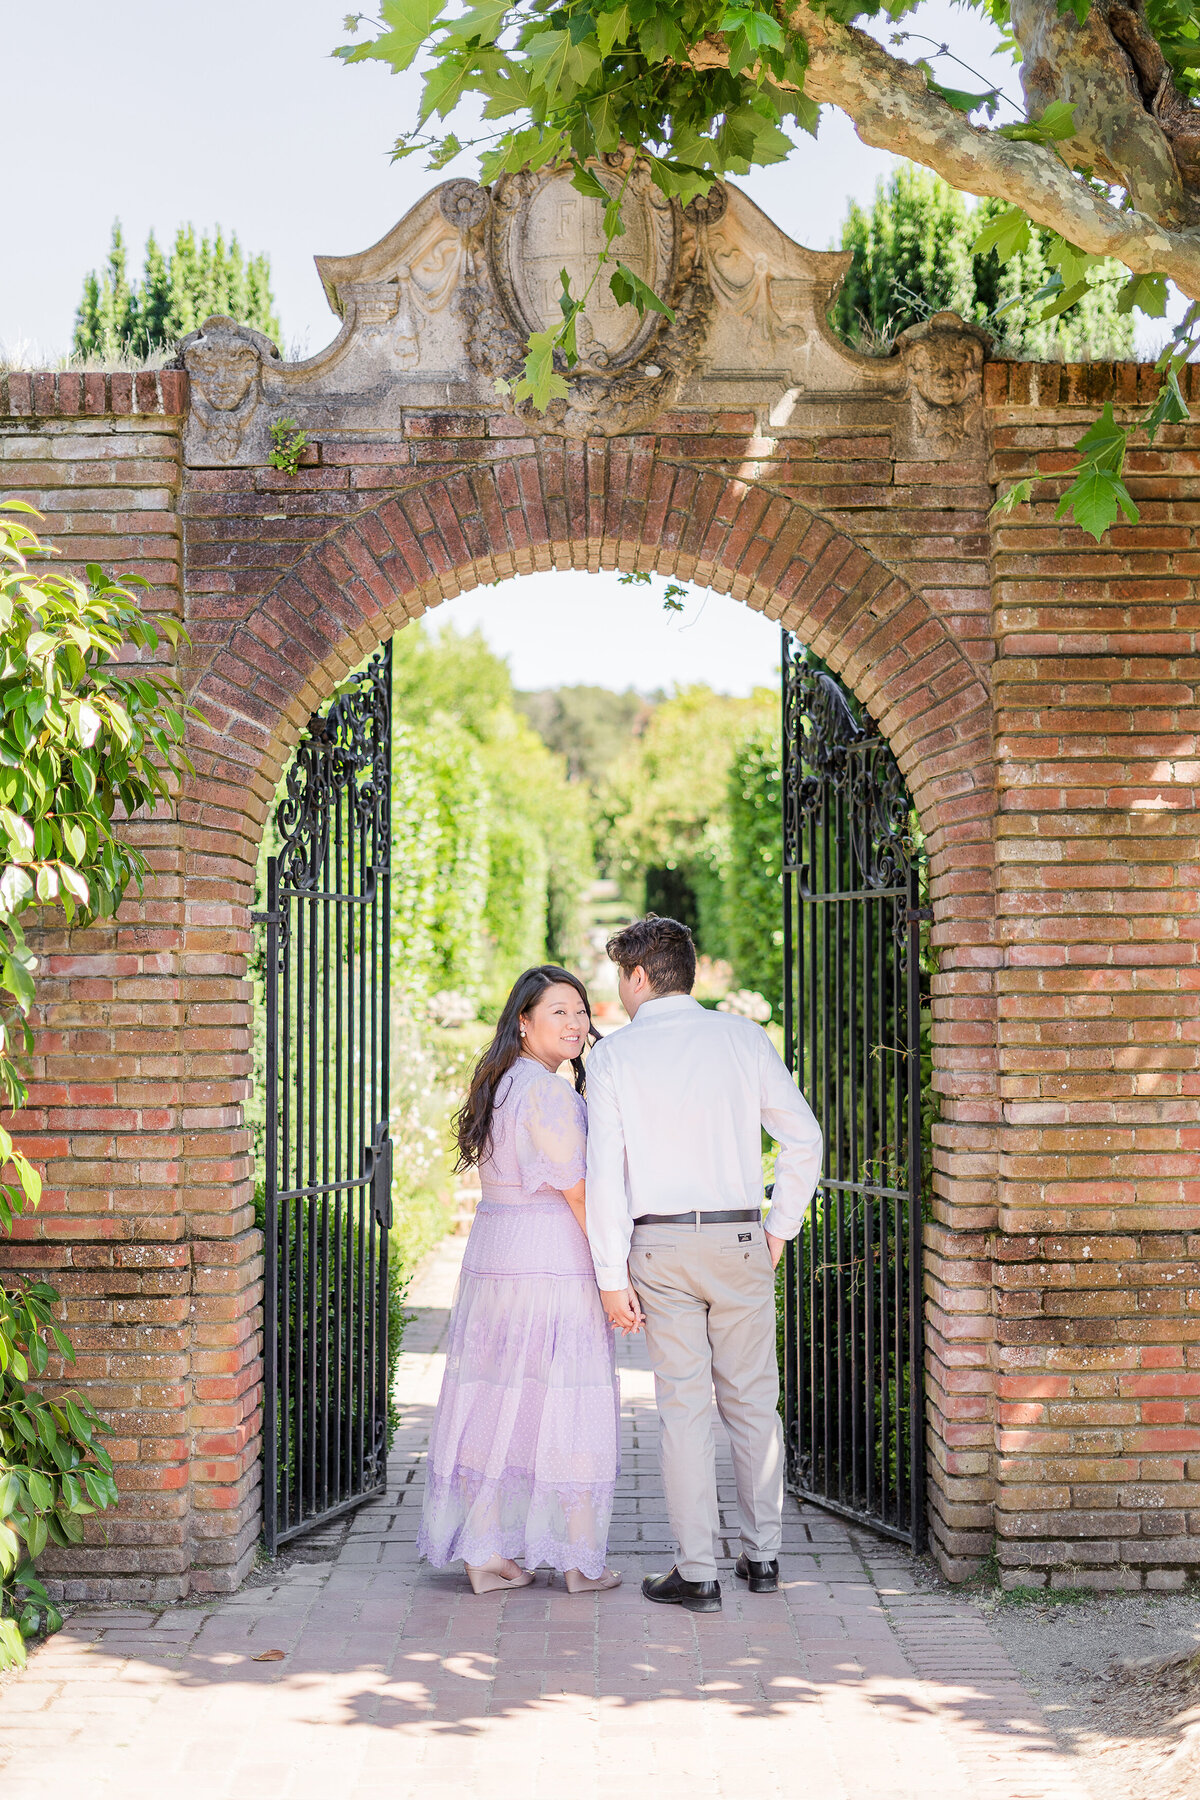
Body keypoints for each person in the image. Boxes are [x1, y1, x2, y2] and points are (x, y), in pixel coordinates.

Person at [585, 916, 823, 1614]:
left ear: (636, 976)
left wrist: (609, 1276)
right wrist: (779, 1228)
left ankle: (697, 1571)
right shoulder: (743, 1039)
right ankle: (765, 1558)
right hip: (740, 1239)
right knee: (753, 1403)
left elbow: (605, 1177)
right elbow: (803, 1139)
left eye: (619, 980)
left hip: (657, 1246)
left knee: (685, 1410)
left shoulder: (614, 1058)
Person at [417, 965, 623, 1595]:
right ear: (524, 1021)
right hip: (549, 1261)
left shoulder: (502, 1082)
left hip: (499, 1256)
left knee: (503, 1397)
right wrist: (616, 1274)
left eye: (580, 1010)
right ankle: (577, 1560)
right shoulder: (548, 1091)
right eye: (557, 1011)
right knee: (564, 1398)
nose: (575, 1022)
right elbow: (579, 1194)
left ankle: (487, 1550)